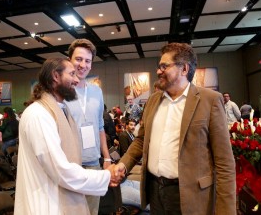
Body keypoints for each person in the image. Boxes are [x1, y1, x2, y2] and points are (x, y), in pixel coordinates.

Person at [113, 43, 236, 215]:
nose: (158, 71)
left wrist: (226, 211)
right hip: (155, 191)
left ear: (184, 69)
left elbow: (225, 163)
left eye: (164, 66)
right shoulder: (153, 100)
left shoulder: (210, 100)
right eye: (159, 66)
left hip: (191, 195)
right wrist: (124, 164)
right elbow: (141, 140)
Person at [14, 58, 118, 215]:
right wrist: (105, 177)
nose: (77, 80)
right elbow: (60, 169)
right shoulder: (38, 114)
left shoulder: (62, 110)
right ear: (56, 76)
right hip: (46, 203)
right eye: (72, 74)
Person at [65, 39, 112, 215]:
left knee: (92, 211)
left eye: (87, 61)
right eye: (78, 59)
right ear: (69, 60)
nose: (83, 65)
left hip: (93, 164)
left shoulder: (96, 91)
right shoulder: (62, 90)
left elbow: (100, 126)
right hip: (70, 165)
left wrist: (107, 158)